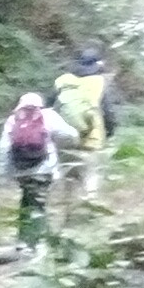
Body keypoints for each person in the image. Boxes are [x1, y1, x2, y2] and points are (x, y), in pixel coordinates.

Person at [0, 91, 63, 246]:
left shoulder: (13, 120)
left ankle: (23, 241)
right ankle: (37, 242)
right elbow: (69, 134)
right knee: (38, 204)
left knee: (26, 202)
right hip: (44, 169)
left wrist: (3, 173)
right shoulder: (49, 116)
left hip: (21, 170)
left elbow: (4, 148)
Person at [54, 49, 115, 202]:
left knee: (70, 174)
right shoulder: (99, 84)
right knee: (90, 173)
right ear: (98, 64)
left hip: (65, 138)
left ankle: (68, 207)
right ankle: (88, 205)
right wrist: (109, 132)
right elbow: (109, 112)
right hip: (91, 138)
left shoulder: (65, 83)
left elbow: (50, 108)